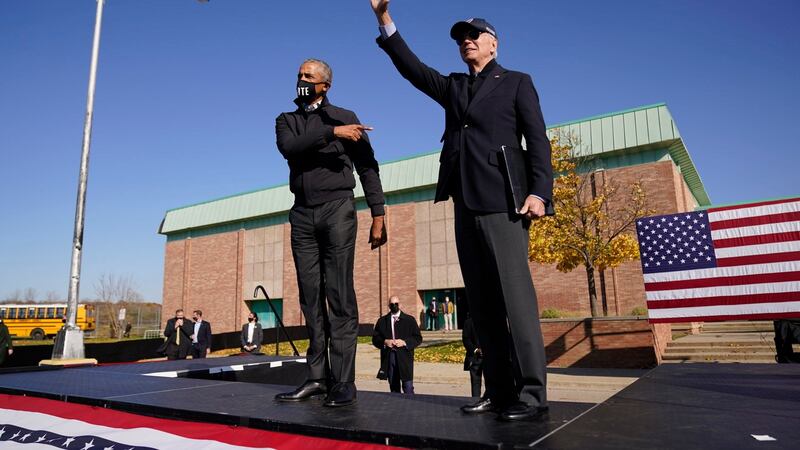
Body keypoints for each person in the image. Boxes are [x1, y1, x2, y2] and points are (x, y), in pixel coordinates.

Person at [371, 1, 553, 421]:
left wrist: (539, 192)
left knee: (516, 301)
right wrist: (384, 20)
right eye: (459, 39)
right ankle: (499, 390)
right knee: (482, 306)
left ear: (493, 43)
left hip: (505, 204)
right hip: (465, 204)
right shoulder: (454, 86)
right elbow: (413, 69)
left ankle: (532, 396)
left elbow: (537, 141)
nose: (465, 42)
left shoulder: (517, 82)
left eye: (473, 36)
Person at [274, 58, 388, 408]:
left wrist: (379, 213)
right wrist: (331, 133)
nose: (301, 80)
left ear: (325, 85)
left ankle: (343, 381)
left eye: (308, 76)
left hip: (338, 209)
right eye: (299, 75)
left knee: (339, 293)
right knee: (310, 297)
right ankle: (316, 377)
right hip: (302, 215)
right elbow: (289, 148)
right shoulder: (287, 120)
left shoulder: (345, 115)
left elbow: (367, 167)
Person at [372, 296, 423, 394]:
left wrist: (405, 342)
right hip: (390, 356)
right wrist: (385, 341)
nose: (394, 306)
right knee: (394, 386)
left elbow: (418, 338)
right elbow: (375, 338)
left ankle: (410, 406)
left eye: (396, 304)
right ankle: (396, 407)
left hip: (405, 357)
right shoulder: (382, 321)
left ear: (400, 305)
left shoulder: (409, 320)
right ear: (388, 306)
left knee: (408, 387)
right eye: (392, 304)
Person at [462, 316, 483, 398]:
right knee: (475, 383)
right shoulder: (469, 322)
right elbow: (466, 339)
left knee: (492, 383)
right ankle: (475, 400)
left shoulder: (491, 320)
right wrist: (476, 350)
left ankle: (492, 402)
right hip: (475, 358)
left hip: (489, 357)